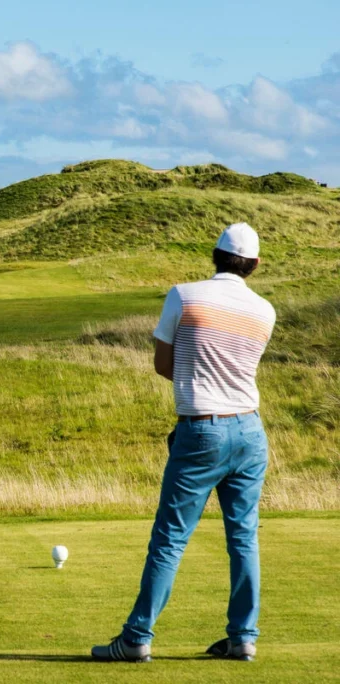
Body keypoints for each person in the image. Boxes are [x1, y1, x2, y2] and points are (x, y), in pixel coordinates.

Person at [92, 223, 276, 663]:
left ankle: (136, 639)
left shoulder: (184, 294)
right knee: (244, 538)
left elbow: (163, 363)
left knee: (171, 539)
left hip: (201, 428)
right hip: (250, 431)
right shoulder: (265, 310)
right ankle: (243, 638)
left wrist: (195, 389)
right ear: (255, 265)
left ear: (214, 255)